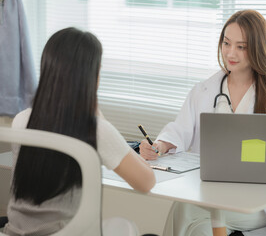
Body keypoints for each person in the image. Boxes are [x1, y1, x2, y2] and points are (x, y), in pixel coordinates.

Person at [139, 10, 266, 235]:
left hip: (261, 202)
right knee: (201, 229)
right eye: (226, 43)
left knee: (185, 209)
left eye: (241, 46)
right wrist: (159, 146)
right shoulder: (204, 90)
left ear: (257, 48)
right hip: (214, 193)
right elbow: (180, 130)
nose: (230, 53)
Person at [3, 27, 156, 235]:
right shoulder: (95, 129)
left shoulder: (22, 120)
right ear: (92, 75)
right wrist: (97, 113)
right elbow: (146, 182)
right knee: (126, 227)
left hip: (14, 232)